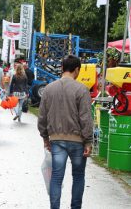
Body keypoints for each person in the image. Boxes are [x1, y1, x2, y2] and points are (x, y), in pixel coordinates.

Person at [37, 55, 93, 209]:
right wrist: (88, 141)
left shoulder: (49, 89)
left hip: (57, 140)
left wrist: (45, 138)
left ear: (61, 68)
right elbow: (86, 118)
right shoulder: (82, 89)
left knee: (56, 177)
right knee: (78, 176)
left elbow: (42, 117)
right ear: (77, 70)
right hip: (78, 141)